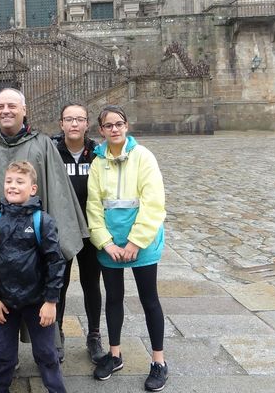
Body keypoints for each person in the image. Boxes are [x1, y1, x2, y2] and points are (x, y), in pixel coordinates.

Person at [0, 87, 87, 379]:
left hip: (34, 242)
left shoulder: (42, 144)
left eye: (12, 106)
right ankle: (6, 357)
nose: (6, 110)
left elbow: (57, 188)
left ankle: (50, 354)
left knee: (42, 298)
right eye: (0, 106)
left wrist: (56, 239)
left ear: (24, 110)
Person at [86, 105, 168, 391]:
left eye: (119, 124)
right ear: (102, 130)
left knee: (149, 299)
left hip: (141, 243)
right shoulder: (98, 163)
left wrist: (136, 241)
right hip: (111, 244)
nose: (114, 129)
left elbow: (154, 202)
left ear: (126, 126)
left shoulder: (143, 157)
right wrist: (106, 243)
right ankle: (115, 354)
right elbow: (93, 206)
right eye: (108, 126)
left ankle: (158, 360)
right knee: (113, 299)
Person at [0, 161, 67, 393]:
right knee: (4, 354)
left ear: (33, 189)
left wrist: (51, 301)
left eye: (20, 182)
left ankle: (56, 389)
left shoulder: (43, 222)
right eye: (9, 181)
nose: (13, 186)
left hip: (38, 302)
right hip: (4, 302)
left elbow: (55, 262)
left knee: (46, 354)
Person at [52, 102, 105, 363]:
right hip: (61, 231)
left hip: (91, 230)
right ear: (61, 123)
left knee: (91, 283)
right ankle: (56, 333)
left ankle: (94, 334)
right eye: (69, 119)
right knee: (58, 284)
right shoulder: (51, 152)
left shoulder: (97, 153)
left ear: (87, 124)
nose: (74, 124)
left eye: (79, 119)